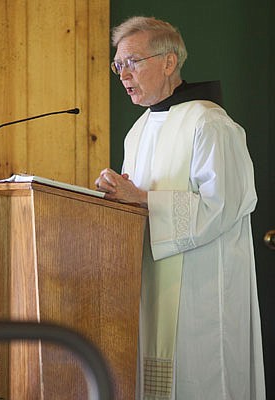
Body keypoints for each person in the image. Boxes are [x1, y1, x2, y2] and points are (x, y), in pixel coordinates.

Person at [95, 16, 265, 399]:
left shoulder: (210, 124)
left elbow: (222, 207)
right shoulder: (138, 130)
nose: (123, 74)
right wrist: (117, 200)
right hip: (151, 282)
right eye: (117, 64)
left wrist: (142, 198)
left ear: (169, 63)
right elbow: (137, 202)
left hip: (201, 289)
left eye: (132, 62)